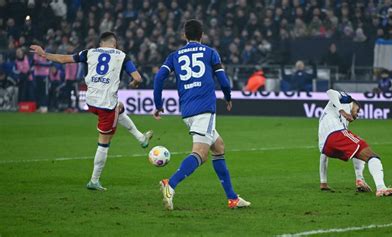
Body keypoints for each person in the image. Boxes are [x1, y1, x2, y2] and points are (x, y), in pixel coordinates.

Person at [30, 32, 154, 191]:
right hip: (106, 105)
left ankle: (141, 138)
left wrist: (44, 54)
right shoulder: (122, 56)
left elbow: (63, 59)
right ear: (114, 44)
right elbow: (138, 78)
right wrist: (133, 85)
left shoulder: (90, 52)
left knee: (119, 106)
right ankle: (94, 181)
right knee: (104, 142)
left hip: (90, 102)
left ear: (101, 44)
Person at [153, 19, 251, 210]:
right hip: (204, 108)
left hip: (188, 110)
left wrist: (158, 104)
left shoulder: (174, 55)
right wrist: (228, 97)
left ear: (184, 36)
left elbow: (159, 78)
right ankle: (169, 184)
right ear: (202, 35)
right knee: (201, 153)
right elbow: (223, 80)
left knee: (218, 146)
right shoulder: (210, 52)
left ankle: (232, 198)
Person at [318, 89, 392, 197]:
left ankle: (360, 180)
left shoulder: (334, 118)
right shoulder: (347, 100)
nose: (357, 115)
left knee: (356, 148)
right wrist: (342, 111)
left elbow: (323, 155)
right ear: (354, 104)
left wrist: (323, 182)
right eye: (358, 111)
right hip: (335, 134)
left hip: (325, 146)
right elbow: (330, 92)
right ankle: (381, 188)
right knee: (372, 156)